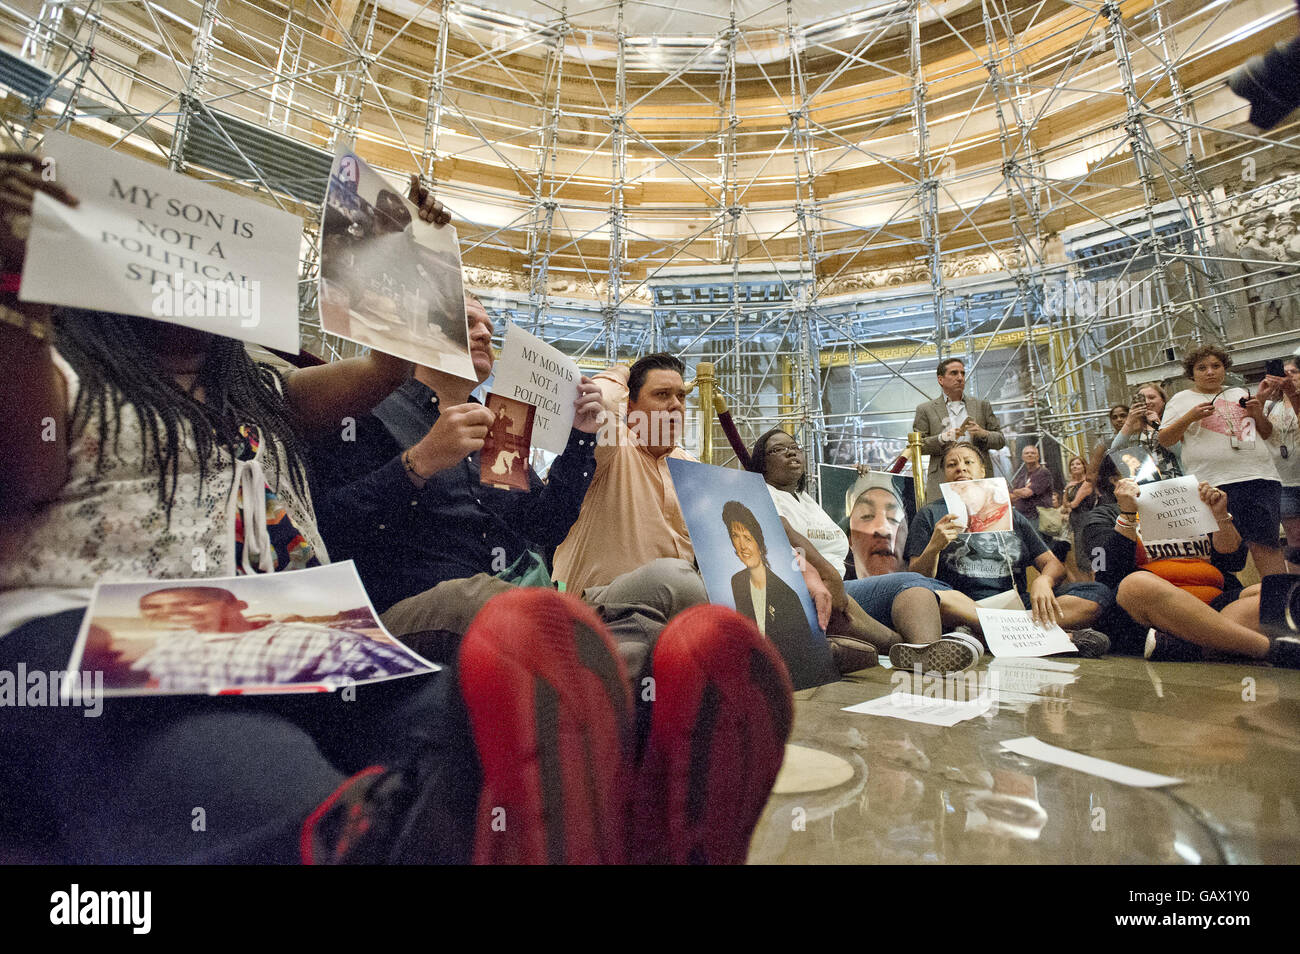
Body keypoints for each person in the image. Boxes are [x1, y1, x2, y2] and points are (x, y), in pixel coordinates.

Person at [0, 156, 790, 865]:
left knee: (465, 716)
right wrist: (15, 291)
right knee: (241, 760)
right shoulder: (56, 369)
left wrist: (415, 264)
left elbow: (388, 361)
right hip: (107, 633)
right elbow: (22, 466)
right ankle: (371, 837)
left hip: (289, 632)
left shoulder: (263, 394)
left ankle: (636, 779)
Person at [747, 428, 981, 674]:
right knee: (910, 581)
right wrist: (829, 575)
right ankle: (924, 650)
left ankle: (924, 652)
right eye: (779, 449)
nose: (791, 453)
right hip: (811, 589)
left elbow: (842, 534)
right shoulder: (763, 494)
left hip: (844, 585)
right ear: (762, 462)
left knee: (916, 588)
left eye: (794, 447)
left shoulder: (805, 499)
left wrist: (862, 482)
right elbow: (782, 530)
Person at [1082, 454, 1300, 667]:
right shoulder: (1103, 516)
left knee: (1279, 591)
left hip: (1216, 604)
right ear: (1114, 480)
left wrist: (1220, 515)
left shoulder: (1187, 505)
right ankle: (1270, 650)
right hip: (1146, 610)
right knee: (1137, 584)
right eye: (1135, 466)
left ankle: (1189, 645)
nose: (1150, 472)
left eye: (1154, 465)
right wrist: (1127, 515)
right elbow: (1106, 573)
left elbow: (1233, 561)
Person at [904, 442, 1113, 656]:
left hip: (1015, 604)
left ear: (982, 469)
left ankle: (983, 634)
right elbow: (916, 579)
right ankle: (1048, 636)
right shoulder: (930, 514)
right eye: (952, 464)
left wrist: (1044, 581)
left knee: (1097, 594)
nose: (961, 468)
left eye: (968, 462)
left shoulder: (1011, 514)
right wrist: (933, 547)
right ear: (945, 473)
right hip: (961, 605)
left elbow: (1053, 565)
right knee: (932, 598)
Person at [124, 586, 423, 691]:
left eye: (190, 603)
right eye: (153, 610)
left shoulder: (310, 642)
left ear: (237, 604)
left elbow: (396, 685)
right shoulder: (163, 651)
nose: (169, 615)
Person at [1158, 344, 1287, 578]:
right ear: (1191, 373)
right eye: (1202, 367)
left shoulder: (1239, 394)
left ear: (1224, 369)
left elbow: (1263, 434)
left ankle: (1279, 607)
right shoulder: (1181, 399)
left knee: (1267, 545)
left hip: (1259, 477)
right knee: (1223, 553)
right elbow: (1165, 439)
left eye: (1216, 366)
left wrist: (1257, 412)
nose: (1210, 372)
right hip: (1213, 485)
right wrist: (1190, 417)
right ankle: (1229, 605)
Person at [913, 356, 1006, 502]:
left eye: (962, 373)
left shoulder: (982, 406)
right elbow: (918, 446)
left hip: (978, 477)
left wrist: (983, 433)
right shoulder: (925, 409)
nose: (960, 378)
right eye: (954, 373)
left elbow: (1000, 440)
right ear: (940, 380)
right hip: (942, 479)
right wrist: (942, 438)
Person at [1264, 356, 1300, 570]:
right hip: (1284, 482)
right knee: (1295, 540)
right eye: (1283, 373)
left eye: (1293, 372)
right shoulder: (1269, 406)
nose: (1287, 377)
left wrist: (1292, 394)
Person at [1111, 382, 1182, 478]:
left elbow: (1181, 452)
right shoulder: (1133, 427)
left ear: (1163, 401)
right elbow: (1115, 450)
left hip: (1175, 480)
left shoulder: (1173, 421)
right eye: (1143, 399)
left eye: (1152, 397)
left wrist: (1158, 425)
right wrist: (1129, 422)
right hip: (1146, 483)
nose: (1147, 402)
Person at [1060, 454, 1096, 576]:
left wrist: (1070, 504)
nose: (1075, 466)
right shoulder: (1071, 484)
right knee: (1080, 554)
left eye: (1078, 464)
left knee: (1087, 553)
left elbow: (1074, 504)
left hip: (1086, 519)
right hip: (1076, 521)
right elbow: (1065, 505)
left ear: (1084, 466)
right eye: (1072, 464)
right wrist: (1066, 490)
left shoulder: (1087, 482)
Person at [1010, 444, 1053, 521]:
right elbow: (1010, 496)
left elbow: (1026, 493)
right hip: (1022, 516)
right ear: (1022, 457)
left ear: (1038, 457)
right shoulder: (1022, 475)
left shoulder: (1043, 473)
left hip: (1038, 518)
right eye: (1026, 453)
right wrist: (1021, 491)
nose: (1029, 455)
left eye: (1033, 453)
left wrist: (1015, 491)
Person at [1088, 403, 1129, 480]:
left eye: (1123, 416)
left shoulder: (1141, 435)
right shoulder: (1105, 443)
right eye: (1114, 417)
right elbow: (1092, 471)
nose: (1119, 419)